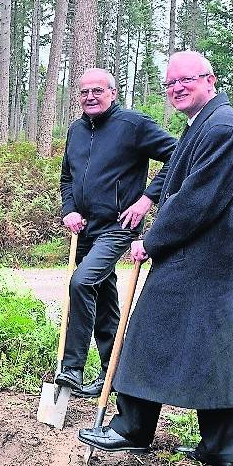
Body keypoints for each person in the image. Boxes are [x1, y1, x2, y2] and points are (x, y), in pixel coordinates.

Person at [78, 51, 233, 466]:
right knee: (206, 348)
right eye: (169, 83)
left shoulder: (224, 129)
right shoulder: (204, 125)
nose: (176, 88)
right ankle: (215, 448)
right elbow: (178, 179)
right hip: (199, 260)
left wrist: (150, 241)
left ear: (209, 80)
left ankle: (133, 430)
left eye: (185, 80)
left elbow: (196, 201)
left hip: (205, 261)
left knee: (149, 334)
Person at [56, 68, 177, 398]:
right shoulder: (76, 131)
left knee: (81, 282)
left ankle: (71, 368)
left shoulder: (133, 125)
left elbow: (178, 155)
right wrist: (69, 210)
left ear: (113, 93)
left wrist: (147, 198)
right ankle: (116, 374)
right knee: (105, 300)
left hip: (118, 226)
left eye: (97, 91)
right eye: (84, 92)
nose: (90, 97)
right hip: (86, 230)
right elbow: (68, 178)